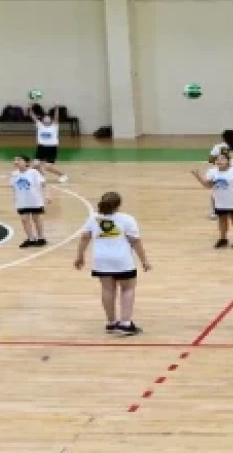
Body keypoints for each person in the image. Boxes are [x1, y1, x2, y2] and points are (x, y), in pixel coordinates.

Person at [74, 192, 151, 336]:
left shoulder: (93, 218)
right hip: (122, 260)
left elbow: (84, 237)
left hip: (101, 260)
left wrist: (80, 256)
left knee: (107, 289)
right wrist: (144, 260)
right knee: (127, 289)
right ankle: (125, 323)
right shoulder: (127, 219)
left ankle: (111, 322)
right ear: (118, 205)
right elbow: (135, 241)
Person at [192, 153, 233, 249]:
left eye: (222, 159)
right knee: (222, 220)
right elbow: (207, 185)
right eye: (217, 159)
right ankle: (223, 239)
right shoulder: (212, 172)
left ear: (228, 161)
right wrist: (197, 176)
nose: (219, 161)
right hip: (220, 202)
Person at [29, 103, 69, 188]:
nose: (46, 119)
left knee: (48, 167)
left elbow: (56, 117)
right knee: (35, 164)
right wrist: (30, 108)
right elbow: (33, 117)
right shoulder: (40, 125)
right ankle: (42, 177)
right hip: (41, 148)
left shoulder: (54, 126)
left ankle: (63, 175)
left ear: (51, 120)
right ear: (42, 120)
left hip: (51, 148)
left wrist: (56, 107)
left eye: (48, 118)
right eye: (45, 118)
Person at [11, 155, 47, 248]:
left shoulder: (33, 172)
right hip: (22, 201)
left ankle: (41, 238)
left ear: (26, 163)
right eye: (15, 160)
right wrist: (14, 198)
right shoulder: (14, 174)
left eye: (19, 160)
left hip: (34, 200)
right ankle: (31, 238)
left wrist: (47, 196)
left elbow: (43, 184)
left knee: (36, 219)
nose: (16, 162)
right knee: (24, 220)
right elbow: (14, 187)